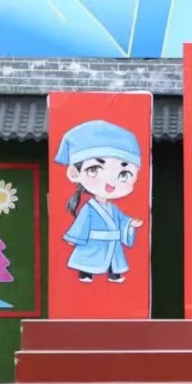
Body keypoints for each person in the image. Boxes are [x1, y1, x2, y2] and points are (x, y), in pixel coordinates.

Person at [53, 119, 144, 284]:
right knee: (88, 260)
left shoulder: (112, 208)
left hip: (112, 241)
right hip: (94, 242)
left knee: (113, 261)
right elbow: (81, 223)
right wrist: (74, 237)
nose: (110, 182)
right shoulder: (89, 208)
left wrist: (130, 223)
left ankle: (113, 275)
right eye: (94, 170)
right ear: (74, 173)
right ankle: (85, 273)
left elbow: (121, 219)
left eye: (123, 174)